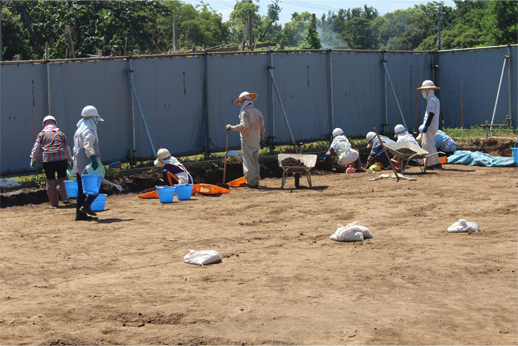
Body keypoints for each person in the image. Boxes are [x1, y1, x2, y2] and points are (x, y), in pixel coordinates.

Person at [30, 115, 73, 206]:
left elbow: (36, 147)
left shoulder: (41, 134)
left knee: (50, 180)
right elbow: (67, 148)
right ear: (55, 123)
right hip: (61, 159)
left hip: (48, 160)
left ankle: (54, 202)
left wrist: (33, 159)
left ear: (44, 124)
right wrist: (69, 160)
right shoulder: (61, 134)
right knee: (63, 178)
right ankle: (65, 198)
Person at [226, 91, 265, 188]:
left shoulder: (245, 113)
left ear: (243, 102)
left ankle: (250, 181)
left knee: (248, 162)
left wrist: (232, 127)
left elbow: (244, 126)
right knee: (255, 161)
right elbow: (262, 127)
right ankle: (256, 180)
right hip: (256, 140)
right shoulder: (258, 112)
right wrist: (262, 138)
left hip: (247, 141)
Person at [72, 105, 103, 221]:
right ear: (92, 119)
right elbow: (88, 145)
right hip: (88, 163)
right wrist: (93, 158)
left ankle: (79, 214)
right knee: (98, 185)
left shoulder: (78, 131)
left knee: (81, 189)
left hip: (79, 163)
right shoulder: (88, 132)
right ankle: (86, 206)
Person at [417, 80, 442, 169]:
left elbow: (431, 114)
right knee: (431, 145)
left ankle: (429, 164)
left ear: (428, 90)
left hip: (430, 126)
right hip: (433, 126)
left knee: (426, 145)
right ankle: (436, 163)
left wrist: (426, 126)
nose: (423, 92)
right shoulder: (435, 99)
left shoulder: (431, 100)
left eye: (424, 90)